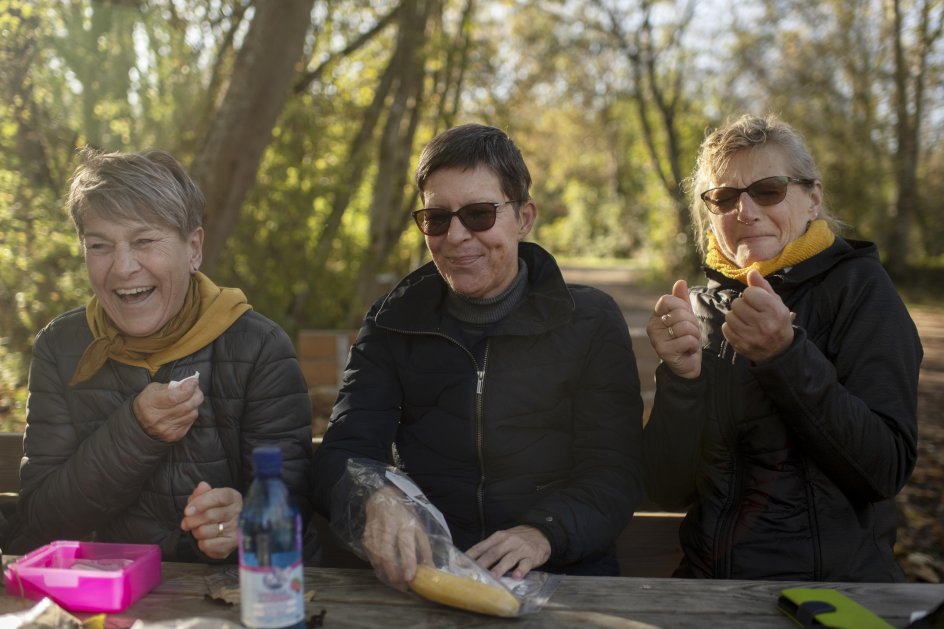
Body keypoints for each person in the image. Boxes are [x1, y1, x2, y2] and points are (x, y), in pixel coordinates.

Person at [311, 123, 644, 589]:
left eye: (480, 214)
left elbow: (613, 472)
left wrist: (541, 534)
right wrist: (375, 498)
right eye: (437, 218)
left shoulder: (590, 321)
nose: (456, 237)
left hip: (565, 574)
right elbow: (344, 451)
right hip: (432, 572)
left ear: (524, 217)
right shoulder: (391, 324)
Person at [644, 113, 923, 581]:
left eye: (768, 190)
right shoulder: (698, 308)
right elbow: (667, 489)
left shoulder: (860, 288)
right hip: (706, 590)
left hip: (828, 593)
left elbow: (884, 469)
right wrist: (679, 381)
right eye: (724, 197)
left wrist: (785, 356)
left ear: (812, 199)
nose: (745, 211)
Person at [6, 148, 313, 562]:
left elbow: (295, 506)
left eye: (144, 241)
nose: (122, 267)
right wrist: (135, 431)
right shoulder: (60, 347)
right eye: (99, 245)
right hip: (99, 598)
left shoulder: (259, 348)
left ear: (193, 249)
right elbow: (42, 520)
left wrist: (243, 521)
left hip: (227, 603)